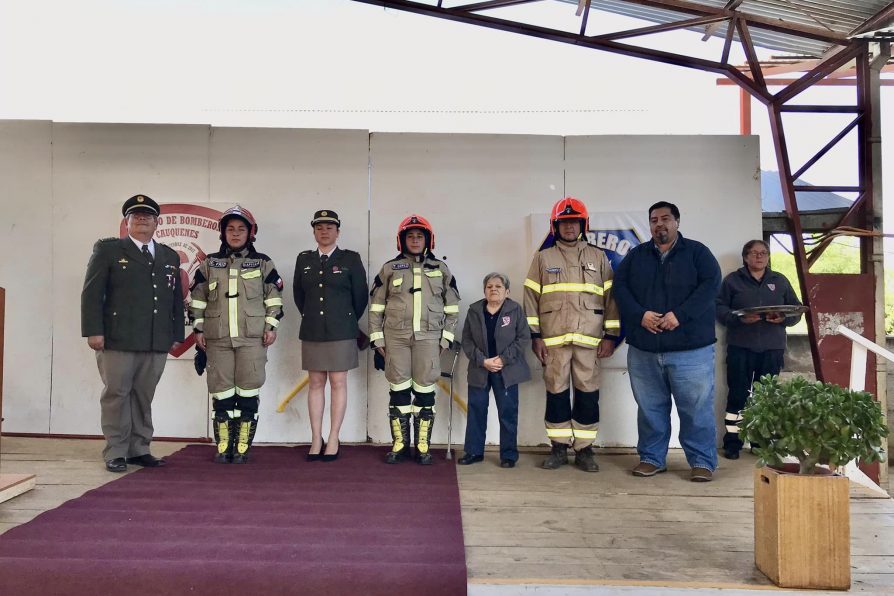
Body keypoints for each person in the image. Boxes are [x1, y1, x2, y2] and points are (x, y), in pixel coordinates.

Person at [613, 201, 722, 482]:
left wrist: (680, 315)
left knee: (696, 410)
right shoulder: (636, 256)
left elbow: (710, 286)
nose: (659, 224)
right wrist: (640, 315)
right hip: (644, 350)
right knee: (650, 409)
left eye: (665, 219)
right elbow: (620, 289)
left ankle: (701, 462)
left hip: (691, 351)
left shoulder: (698, 253)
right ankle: (651, 458)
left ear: (677, 222)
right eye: (653, 220)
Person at [81, 194, 185, 473]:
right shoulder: (109, 251)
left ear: (156, 223)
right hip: (118, 338)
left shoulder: (168, 255)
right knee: (117, 394)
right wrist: (93, 331)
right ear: (126, 222)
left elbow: (175, 298)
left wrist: (176, 333)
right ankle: (115, 450)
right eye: (136, 216)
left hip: (155, 339)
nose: (142, 220)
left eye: (147, 216)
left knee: (143, 395)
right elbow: (92, 294)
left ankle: (139, 449)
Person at [523, 197, 620, 472]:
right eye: (563, 223)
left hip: (590, 341)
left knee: (588, 394)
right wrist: (535, 336)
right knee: (556, 393)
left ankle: (585, 450)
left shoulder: (598, 257)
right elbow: (530, 296)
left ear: (583, 225)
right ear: (555, 226)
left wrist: (611, 335)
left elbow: (611, 298)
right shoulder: (543, 258)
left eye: (573, 222)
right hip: (554, 341)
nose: (569, 228)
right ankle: (558, 448)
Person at [189, 205, 284, 464]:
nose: (235, 233)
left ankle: (242, 447)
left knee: (247, 391)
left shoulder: (263, 263)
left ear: (250, 233)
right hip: (217, 339)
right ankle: (223, 445)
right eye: (230, 229)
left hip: (252, 340)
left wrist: (271, 326)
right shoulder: (209, 263)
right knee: (221, 393)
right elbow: (197, 299)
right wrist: (198, 328)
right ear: (223, 232)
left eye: (241, 229)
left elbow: (274, 298)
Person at [369, 215, 460, 465]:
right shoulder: (389, 268)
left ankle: (423, 447)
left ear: (428, 239)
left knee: (425, 392)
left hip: (429, 339)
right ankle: (399, 445)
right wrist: (377, 339)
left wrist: (445, 340)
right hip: (395, 339)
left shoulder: (440, 269)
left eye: (420, 236)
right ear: (402, 240)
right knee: (398, 390)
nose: (415, 240)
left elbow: (452, 307)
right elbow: (376, 306)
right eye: (410, 236)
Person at [293, 210, 368, 462]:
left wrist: (343, 320)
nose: (324, 231)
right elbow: (299, 296)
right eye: (319, 227)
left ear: (338, 231)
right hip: (313, 328)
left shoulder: (350, 259)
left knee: (338, 383)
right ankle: (316, 437)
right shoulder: (303, 259)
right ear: (313, 231)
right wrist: (317, 316)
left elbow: (360, 297)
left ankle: (334, 436)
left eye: (329, 227)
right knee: (315, 384)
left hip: (341, 330)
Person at [716, 239, 802, 460]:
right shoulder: (733, 281)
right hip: (740, 348)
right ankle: (733, 443)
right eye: (754, 253)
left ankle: (760, 441)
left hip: (772, 349)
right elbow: (719, 308)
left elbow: (796, 310)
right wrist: (739, 319)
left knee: (765, 398)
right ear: (745, 257)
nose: (759, 257)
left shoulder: (780, 281)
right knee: (737, 396)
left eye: (764, 253)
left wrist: (782, 318)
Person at [459, 273, 531, 468]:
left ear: (507, 291)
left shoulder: (515, 310)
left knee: (508, 413)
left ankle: (508, 455)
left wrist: (503, 359)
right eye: (489, 286)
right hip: (480, 369)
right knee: (476, 410)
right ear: (484, 290)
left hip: (506, 370)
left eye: (498, 286)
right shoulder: (474, 310)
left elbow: (523, 338)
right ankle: (474, 452)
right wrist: (483, 361)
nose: (493, 289)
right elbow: (466, 340)